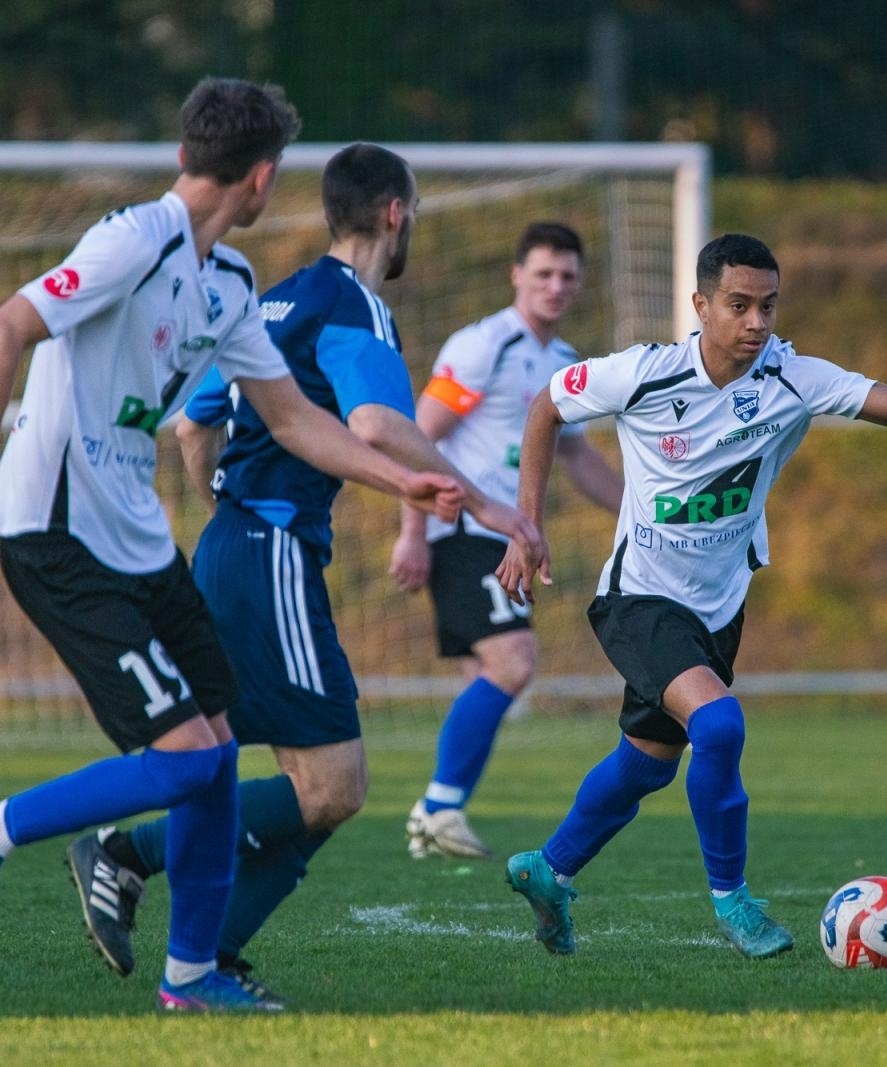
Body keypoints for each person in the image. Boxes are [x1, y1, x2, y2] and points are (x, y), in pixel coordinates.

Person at [0, 81, 461, 1014]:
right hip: (55, 531)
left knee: (211, 755)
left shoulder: (234, 281)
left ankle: (193, 976)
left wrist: (398, 479)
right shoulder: (133, 240)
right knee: (182, 760)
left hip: (140, 538)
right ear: (260, 177)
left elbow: (289, 418)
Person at [69, 143, 537, 1000]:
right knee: (332, 783)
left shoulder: (274, 296)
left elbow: (192, 426)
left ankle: (209, 954)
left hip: (237, 549)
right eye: (415, 215)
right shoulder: (354, 305)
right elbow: (377, 424)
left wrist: (223, 508)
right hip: (273, 549)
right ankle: (127, 855)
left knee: (317, 788)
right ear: (395, 213)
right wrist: (489, 506)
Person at [494, 233, 887, 957]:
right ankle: (733, 900)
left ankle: (549, 868)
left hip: (717, 610)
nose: (757, 321)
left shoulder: (794, 377)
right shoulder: (644, 374)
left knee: (647, 761)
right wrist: (526, 524)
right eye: (739, 305)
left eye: (767, 305)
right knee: (721, 725)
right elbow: (546, 405)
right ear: (701, 305)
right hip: (637, 600)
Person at [389, 222, 623, 860]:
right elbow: (418, 436)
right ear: (516, 275)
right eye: (543, 273)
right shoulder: (483, 345)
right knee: (512, 662)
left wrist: (643, 511)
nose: (556, 285)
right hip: (461, 526)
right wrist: (413, 531)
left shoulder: (565, 362)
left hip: (502, 537)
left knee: (499, 669)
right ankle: (437, 811)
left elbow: (576, 458)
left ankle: (438, 813)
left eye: (568, 275)